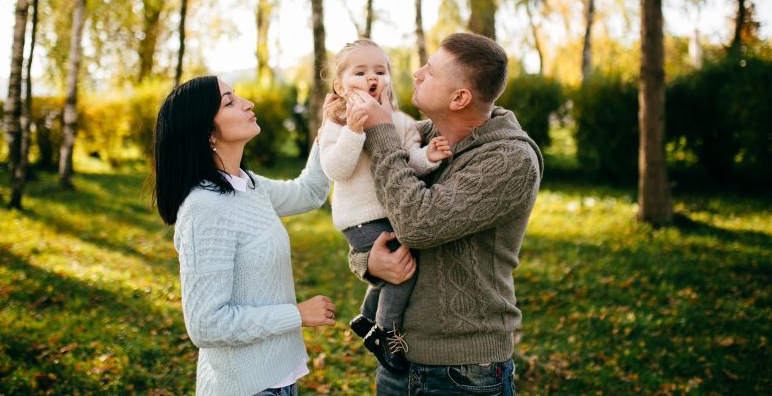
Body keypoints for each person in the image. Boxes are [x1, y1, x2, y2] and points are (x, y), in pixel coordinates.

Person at [348, 33, 544, 395]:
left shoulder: (511, 160)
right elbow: (370, 208)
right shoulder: (420, 138)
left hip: (466, 373)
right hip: (398, 362)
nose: (418, 73)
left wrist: (380, 131)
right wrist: (367, 263)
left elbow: (417, 224)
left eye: (431, 71)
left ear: (459, 98)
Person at [152, 75, 336, 396]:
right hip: (244, 387)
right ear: (206, 131)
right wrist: (296, 314)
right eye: (229, 101)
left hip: (280, 378)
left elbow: (309, 193)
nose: (247, 103)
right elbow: (205, 324)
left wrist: (328, 130)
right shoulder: (204, 209)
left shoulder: (248, 184)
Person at [318, 39, 451, 375]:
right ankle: (386, 333)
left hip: (392, 214)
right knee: (403, 270)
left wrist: (428, 157)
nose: (371, 77)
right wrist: (354, 130)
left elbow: (407, 165)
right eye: (360, 72)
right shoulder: (335, 125)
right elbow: (336, 170)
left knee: (399, 265)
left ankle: (367, 318)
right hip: (360, 219)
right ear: (340, 86)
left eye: (380, 71)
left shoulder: (403, 122)